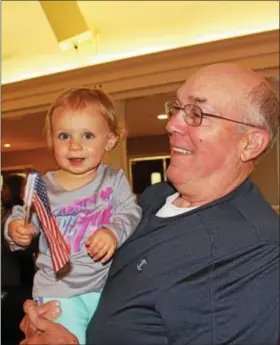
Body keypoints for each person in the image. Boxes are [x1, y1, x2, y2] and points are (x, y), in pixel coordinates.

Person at [20, 63, 279, 345]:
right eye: (177, 107)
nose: (171, 124)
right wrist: (46, 320)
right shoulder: (155, 197)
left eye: (197, 113)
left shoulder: (255, 249)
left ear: (251, 143)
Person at [4, 88, 142, 344]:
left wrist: (113, 231)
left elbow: (131, 212)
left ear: (110, 141)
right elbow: (22, 215)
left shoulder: (114, 181)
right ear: (52, 140)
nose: (74, 145)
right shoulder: (43, 186)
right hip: (58, 290)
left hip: (107, 287)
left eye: (88, 135)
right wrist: (15, 229)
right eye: (64, 135)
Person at [1, 174, 38, 345]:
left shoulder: (22, 212)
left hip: (18, 274)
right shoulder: (7, 210)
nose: (2, 191)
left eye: (6, 188)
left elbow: (27, 246)